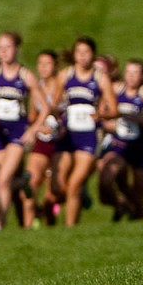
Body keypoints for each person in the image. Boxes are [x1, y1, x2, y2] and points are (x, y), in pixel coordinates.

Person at [0, 32, 49, 231]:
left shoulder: (25, 75)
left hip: (17, 132)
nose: (4, 52)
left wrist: (33, 130)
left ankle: (0, 223)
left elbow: (45, 107)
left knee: (2, 179)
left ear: (17, 49)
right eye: (1, 48)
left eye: (8, 47)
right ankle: (22, 181)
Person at [52, 36, 118, 227]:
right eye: (79, 52)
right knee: (59, 185)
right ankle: (78, 196)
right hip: (67, 134)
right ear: (74, 54)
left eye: (86, 52)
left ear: (93, 55)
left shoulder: (100, 78)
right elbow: (55, 105)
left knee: (73, 184)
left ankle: (69, 230)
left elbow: (114, 110)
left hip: (89, 135)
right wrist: (55, 116)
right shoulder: (65, 75)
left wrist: (100, 114)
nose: (82, 56)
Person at [97, 59, 143, 220]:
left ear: (142, 76)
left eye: (135, 73)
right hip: (120, 146)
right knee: (106, 179)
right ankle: (122, 205)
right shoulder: (116, 89)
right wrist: (115, 124)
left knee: (138, 195)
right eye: (128, 72)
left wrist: (134, 118)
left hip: (141, 148)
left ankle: (140, 224)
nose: (131, 77)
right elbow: (102, 113)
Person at [21, 49, 61, 228]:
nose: (43, 68)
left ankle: (50, 221)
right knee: (30, 183)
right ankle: (29, 225)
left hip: (61, 142)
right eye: (40, 64)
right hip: (41, 141)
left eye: (48, 64)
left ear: (55, 66)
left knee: (52, 196)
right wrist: (36, 127)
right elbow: (32, 116)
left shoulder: (63, 86)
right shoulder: (36, 87)